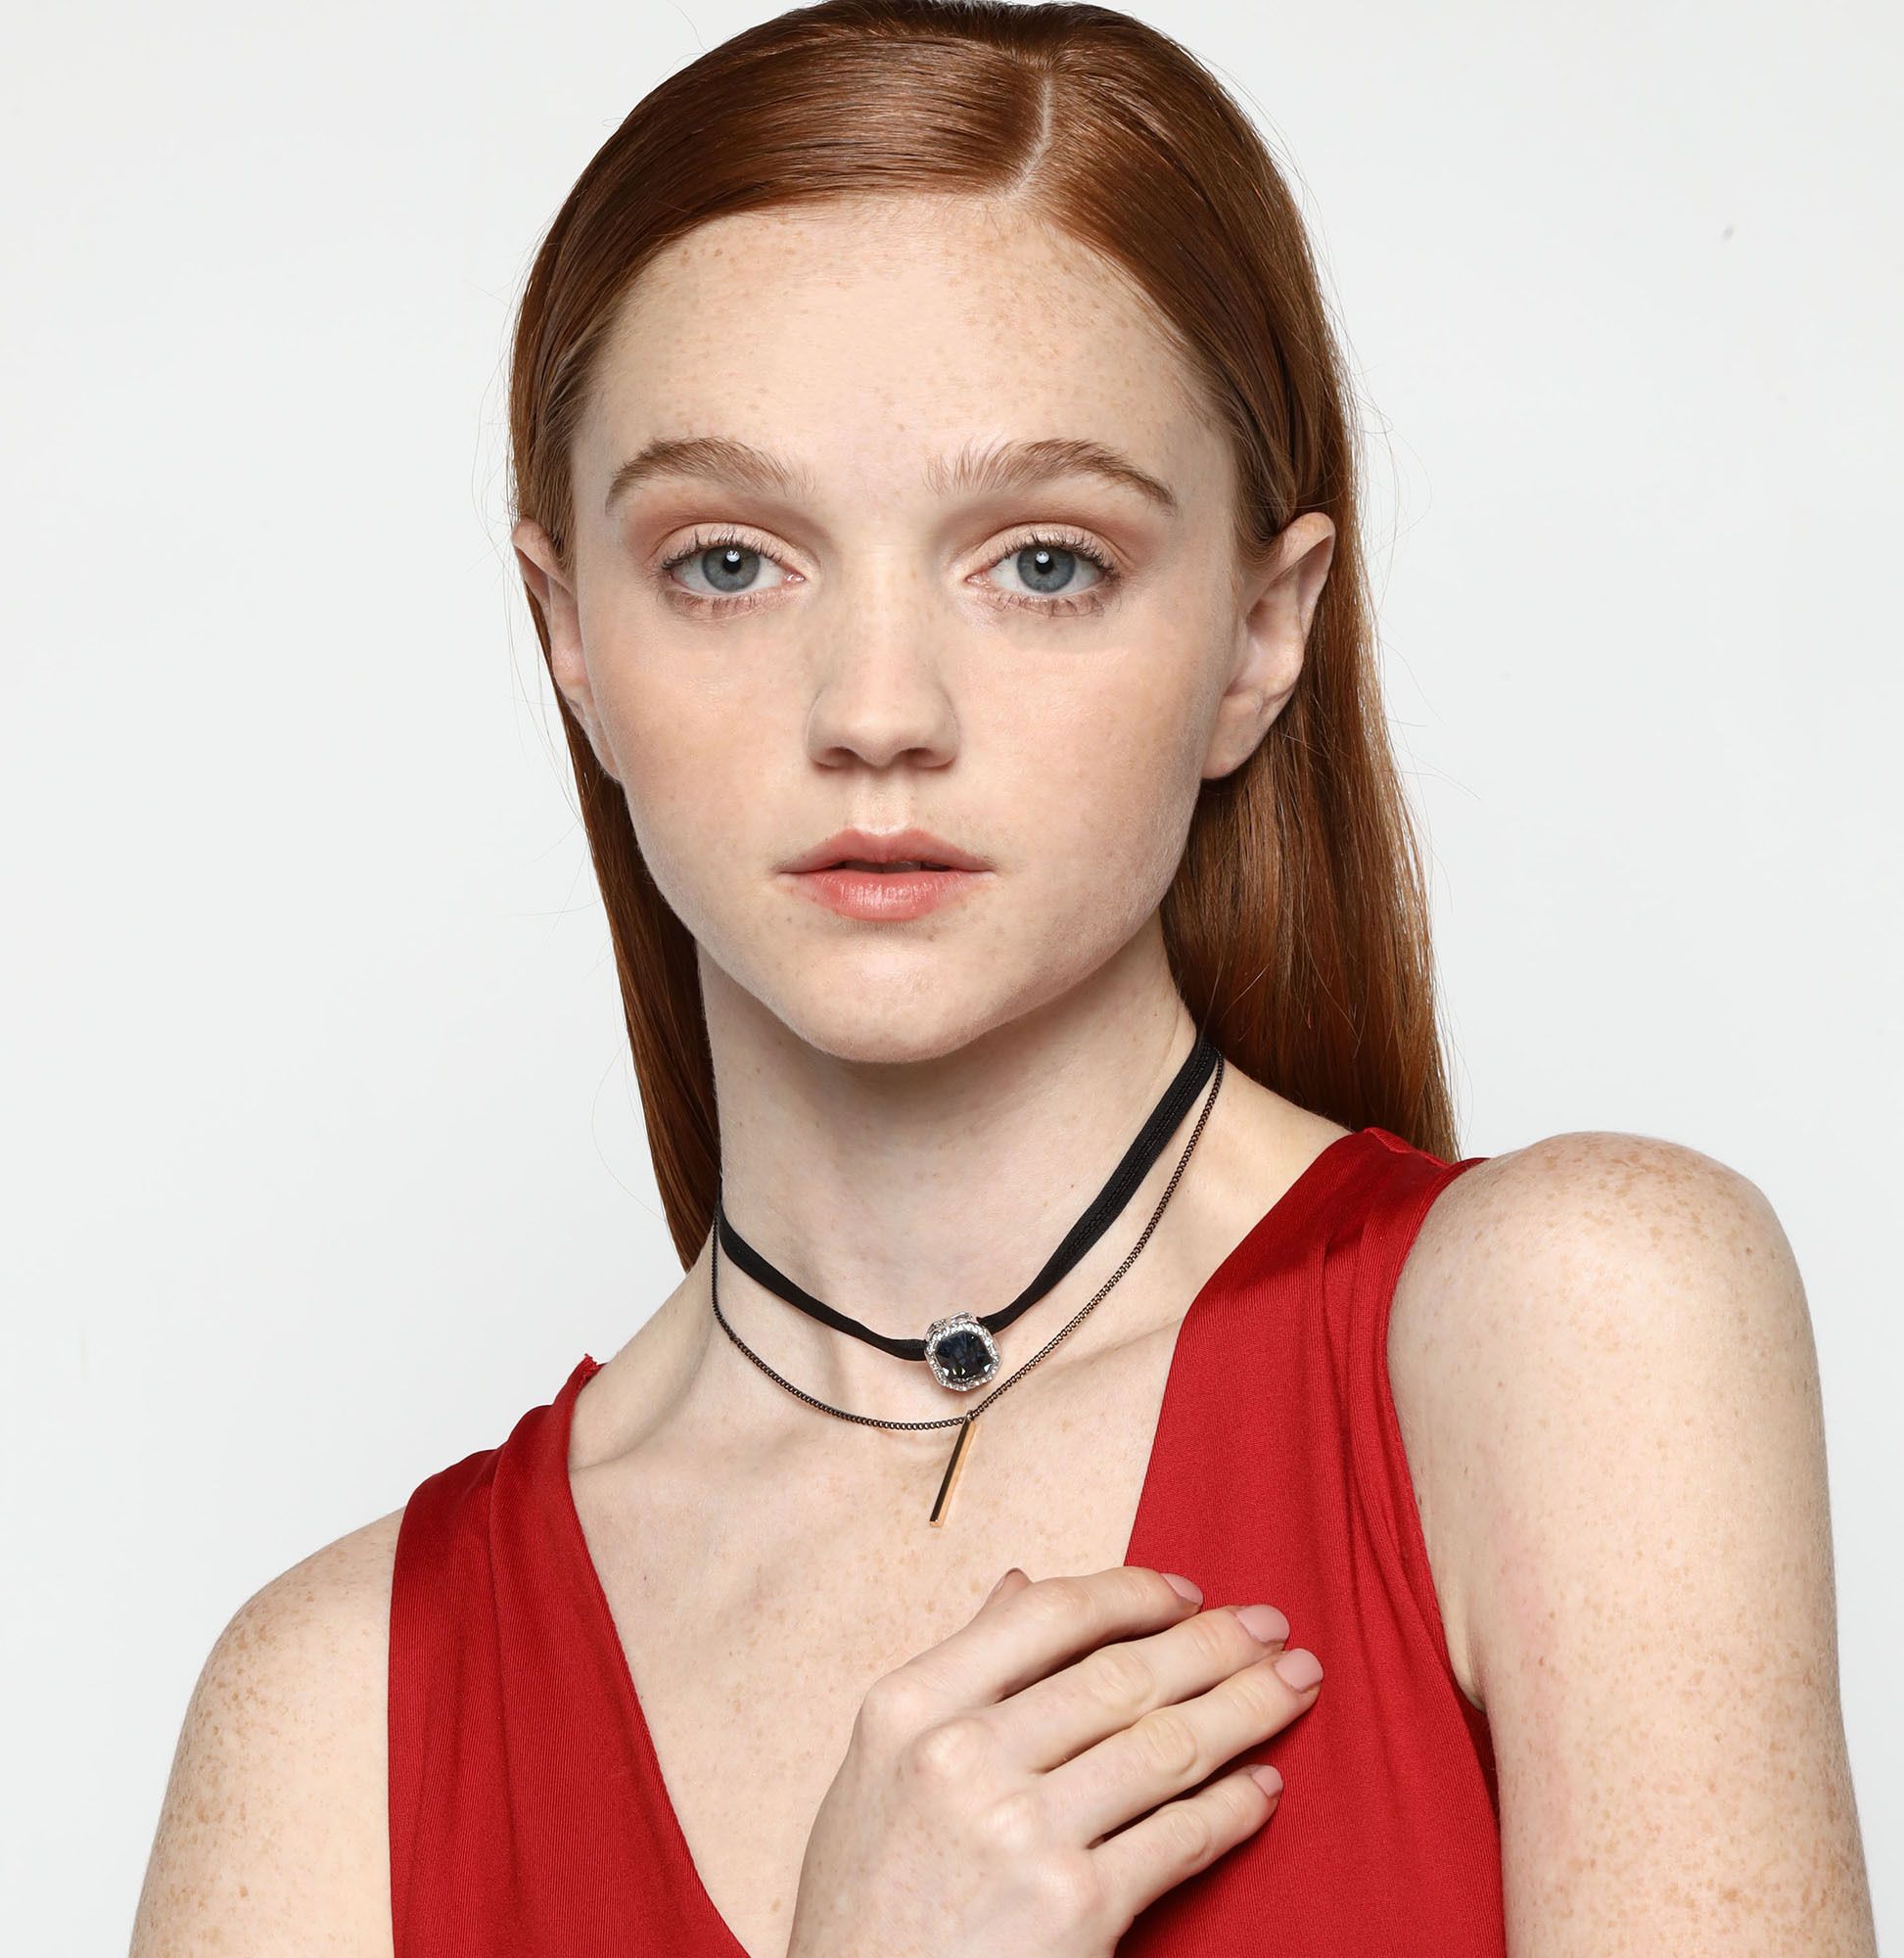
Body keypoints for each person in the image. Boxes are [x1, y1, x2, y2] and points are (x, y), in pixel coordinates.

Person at [129, 3, 1878, 1953]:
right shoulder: (328, 1720)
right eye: (727, 561)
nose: (877, 711)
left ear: (1261, 632)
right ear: (571, 636)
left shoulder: (1578, 1331)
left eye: (1043, 561)